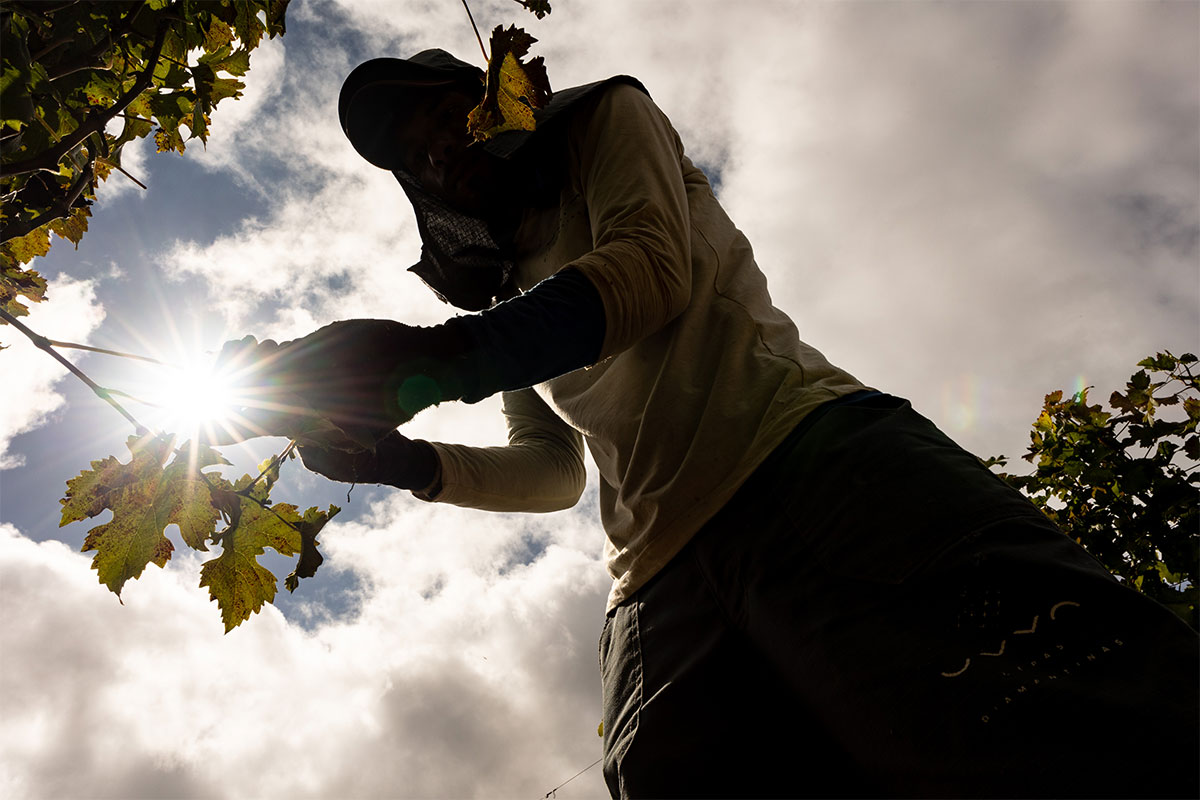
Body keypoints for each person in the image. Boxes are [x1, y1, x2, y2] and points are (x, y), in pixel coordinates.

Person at [223, 50, 1199, 798]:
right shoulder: (510, 293)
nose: (438, 148)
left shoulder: (608, 119)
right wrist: (405, 462)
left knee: (1071, 728)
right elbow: (555, 472)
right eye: (414, 153)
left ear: (496, 98)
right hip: (657, 592)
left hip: (814, 468)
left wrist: (425, 362)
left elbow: (650, 271)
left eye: (443, 114)